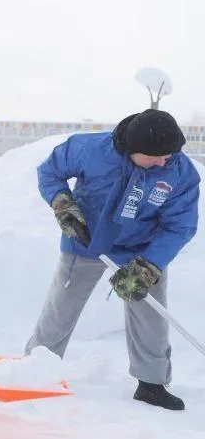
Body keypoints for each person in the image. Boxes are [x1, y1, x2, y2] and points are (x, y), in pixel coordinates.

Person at [25, 109, 199, 410]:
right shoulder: (89, 149)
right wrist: (62, 203)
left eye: (168, 155)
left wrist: (149, 266)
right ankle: (33, 374)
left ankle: (152, 384)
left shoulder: (181, 173)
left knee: (151, 316)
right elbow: (49, 171)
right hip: (86, 240)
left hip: (142, 250)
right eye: (154, 156)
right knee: (61, 309)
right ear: (132, 149)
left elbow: (180, 225)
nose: (162, 162)